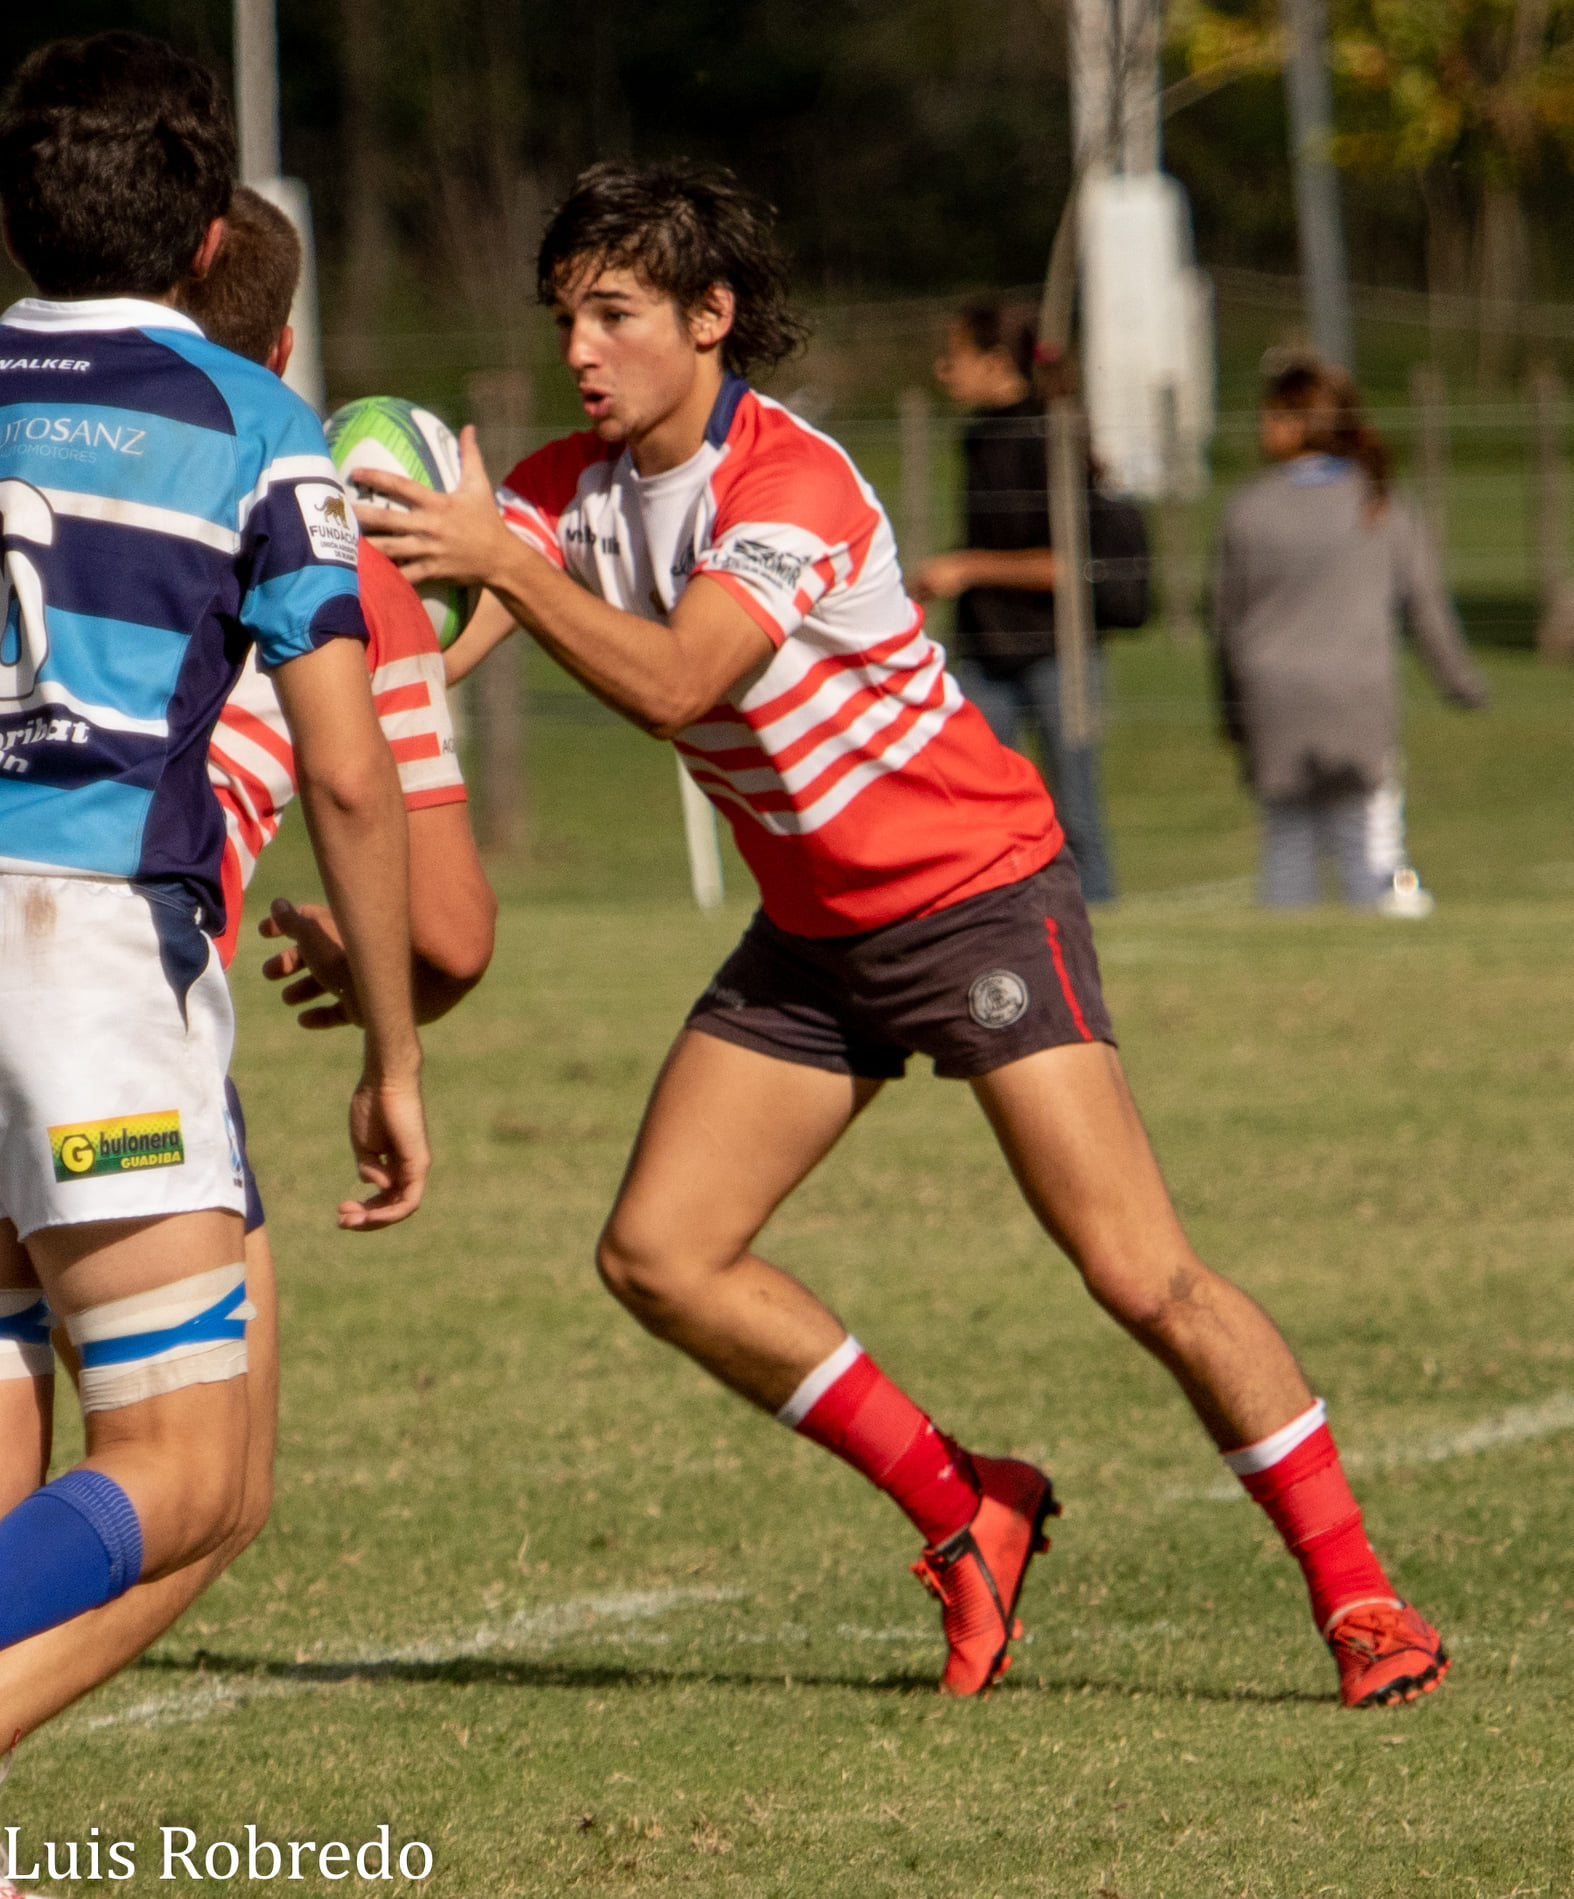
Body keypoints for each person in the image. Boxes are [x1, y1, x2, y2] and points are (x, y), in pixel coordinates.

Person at [361, 159, 1447, 1709]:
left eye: (613, 314)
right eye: (565, 319)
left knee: (1140, 1273)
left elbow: (681, 679)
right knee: (659, 1253)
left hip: (974, 894)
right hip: (815, 938)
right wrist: (361, 845)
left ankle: (1361, 1600)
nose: (580, 350)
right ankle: (964, 1503)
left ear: (710, 315)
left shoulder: (784, 485)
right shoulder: (559, 493)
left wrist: (509, 566)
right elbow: (422, 670)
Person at [0, 183, 494, 1753]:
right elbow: (448, 923)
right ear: (269, 334)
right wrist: (392, 1038)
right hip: (102, 996)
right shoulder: (281, 476)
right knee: (204, 1478)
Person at [1213, 355, 1488, 913]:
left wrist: (1231, 711)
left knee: (1288, 837)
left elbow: (1223, 624)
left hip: (1274, 696)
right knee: (1372, 834)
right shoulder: (1379, 504)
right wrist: (1461, 682)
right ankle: (1388, 938)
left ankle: (1287, 960)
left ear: (1296, 421)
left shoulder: (1247, 509)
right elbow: (1426, 608)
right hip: (1359, 697)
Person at [912, 300, 1145, 905]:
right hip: (986, 655)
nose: (943, 370)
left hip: (1056, 655)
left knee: (1076, 814)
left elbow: (1065, 564)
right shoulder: (976, 438)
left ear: (995, 363)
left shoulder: (1051, 433)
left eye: (955, 356)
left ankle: (1094, 921)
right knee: (972, 808)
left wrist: (967, 567)